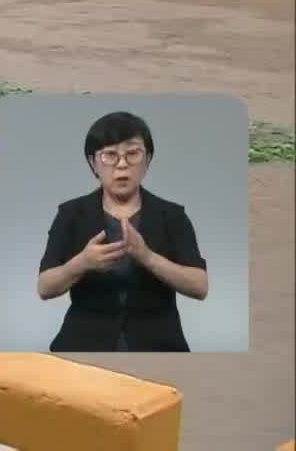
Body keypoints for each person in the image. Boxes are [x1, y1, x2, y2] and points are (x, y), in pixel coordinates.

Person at [36, 110, 209, 351]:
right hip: (83, 344)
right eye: (110, 155)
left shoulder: (172, 216)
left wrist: (147, 257)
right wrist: (82, 263)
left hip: (160, 345)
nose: (122, 164)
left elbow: (200, 286)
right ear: (92, 163)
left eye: (132, 153)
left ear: (147, 160)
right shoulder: (70, 214)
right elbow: (44, 287)